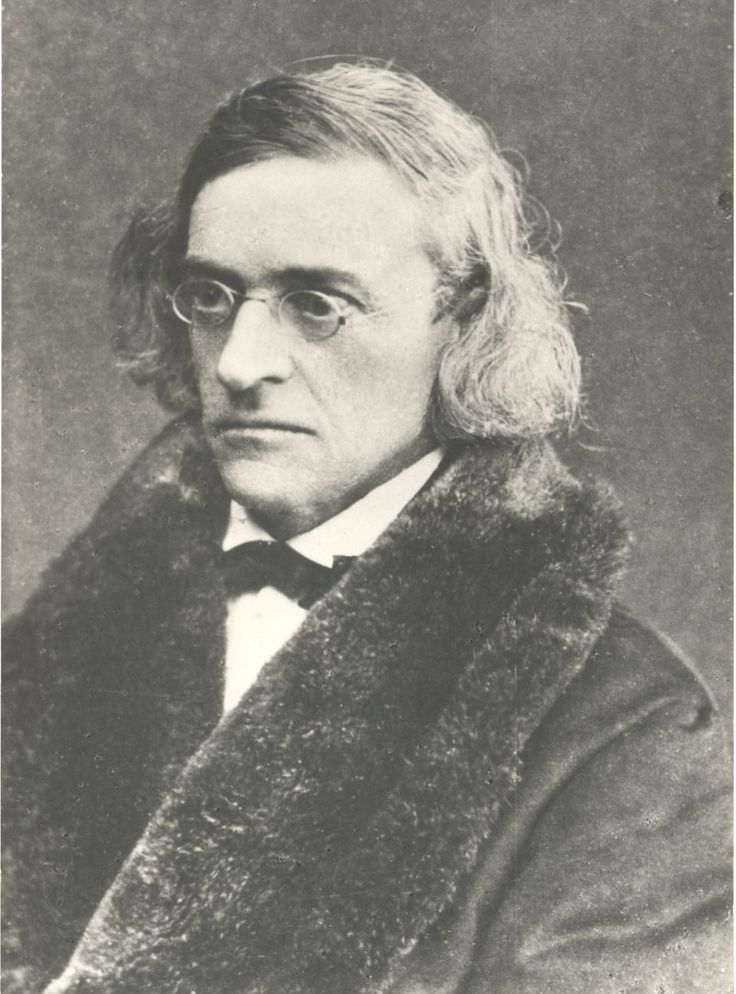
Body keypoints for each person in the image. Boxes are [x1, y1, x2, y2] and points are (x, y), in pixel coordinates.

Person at [3, 62, 730, 994]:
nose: (240, 363)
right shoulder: (42, 664)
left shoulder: (628, 725)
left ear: (464, 320)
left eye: (318, 305)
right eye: (212, 297)